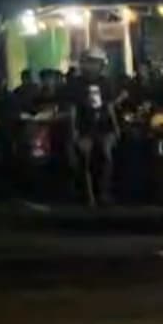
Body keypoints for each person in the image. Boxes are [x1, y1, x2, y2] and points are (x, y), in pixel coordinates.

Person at [66, 48, 120, 207]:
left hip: (103, 126)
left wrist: (115, 127)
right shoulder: (76, 84)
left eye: (96, 63)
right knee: (86, 159)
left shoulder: (105, 83)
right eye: (90, 62)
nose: (93, 66)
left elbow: (109, 106)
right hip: (84, 126)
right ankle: (89, 197)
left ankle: (104, 192)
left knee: (106, 157)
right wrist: (74, 131)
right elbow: (73, 109)